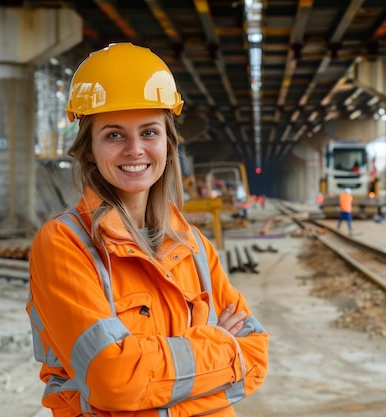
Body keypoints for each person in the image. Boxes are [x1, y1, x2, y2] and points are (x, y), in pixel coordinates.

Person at [26, 43, 269, 417]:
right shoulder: (64, 244)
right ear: (89, 148)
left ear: (168, 144)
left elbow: (254, 357)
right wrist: (219, 344)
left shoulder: (194, 245)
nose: (135, 149)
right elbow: (112, 379)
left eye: (150, 132)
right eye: (114, 135)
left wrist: (150, 379)